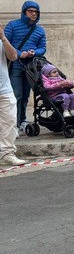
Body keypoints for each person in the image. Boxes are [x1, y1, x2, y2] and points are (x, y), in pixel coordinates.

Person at [4, 1, 46, 129]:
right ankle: (13, 122)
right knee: (16, 95)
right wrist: (18, 53)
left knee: (25, 96)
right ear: (24, 12)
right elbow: (4, 43)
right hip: (15, 65)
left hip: (31, 68)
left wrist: (34, 52)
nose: (33, 14)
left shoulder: (40, 30)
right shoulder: (12, 25)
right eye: (30, 11)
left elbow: (43, 48)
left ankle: (22, 120)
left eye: (36, 12)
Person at [0, 24, 25, 166]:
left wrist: (3, 38)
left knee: (9, 122)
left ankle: (7, 153)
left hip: (4, 88)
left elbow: (13, 56)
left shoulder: (2, 40)